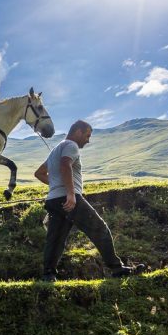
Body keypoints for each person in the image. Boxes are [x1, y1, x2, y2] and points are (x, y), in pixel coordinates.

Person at [34, 120, 144, 282]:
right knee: (100, 229)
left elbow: (39, 173)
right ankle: (117, 268)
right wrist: (70, 193)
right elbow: (66, 165)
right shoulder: (71, 146)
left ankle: (48, 275)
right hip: (70, 199)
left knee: (55, 239)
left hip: (54, 200)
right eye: (87, 135)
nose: (88, 140)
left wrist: (57, 186)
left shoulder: (56, 149)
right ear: (78, 131)